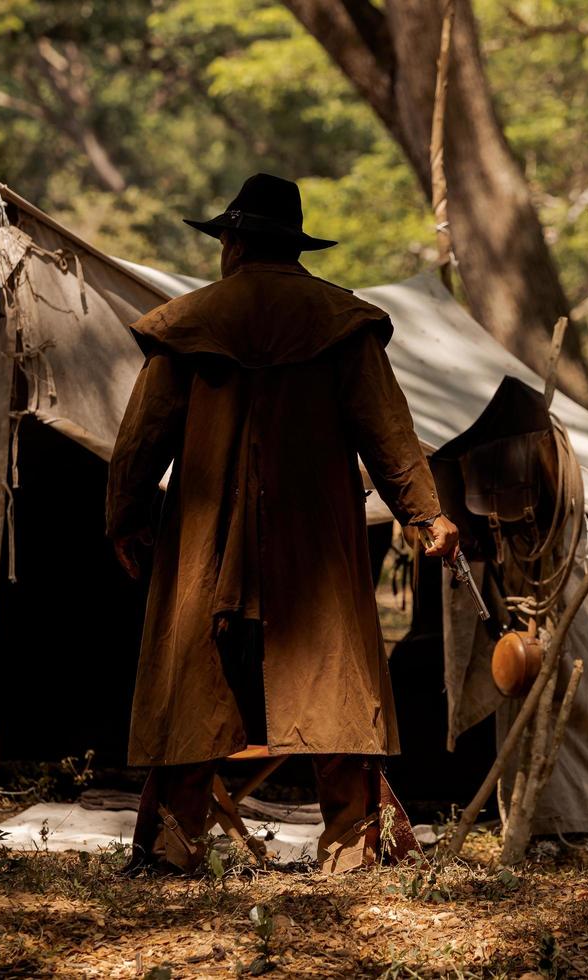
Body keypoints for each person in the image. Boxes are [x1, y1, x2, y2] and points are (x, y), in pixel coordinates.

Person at [106, 173, 459, 874]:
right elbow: (387, 432)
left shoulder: (189, 324)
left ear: (233, 243)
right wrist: (428, 512)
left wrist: (124, 517)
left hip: (203, 538)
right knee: (333, 673)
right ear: (291, 245)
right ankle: (351, 852)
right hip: (315, 538)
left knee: (190, 674)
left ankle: (174, 852)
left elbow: (142, 437)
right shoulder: (338, 322)